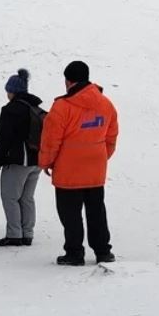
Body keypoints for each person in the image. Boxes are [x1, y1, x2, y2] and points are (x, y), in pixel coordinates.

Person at [39, 61, 119, 266]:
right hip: (95, 170)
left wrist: (46, 162)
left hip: (68, 172)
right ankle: (103, 251)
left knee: (70, 215)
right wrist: (100, 157)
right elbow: (111, 136)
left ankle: (74, 253)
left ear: (68, 81)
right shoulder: (106, 103)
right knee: (96, 211)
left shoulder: (62, 107)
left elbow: (51, 140)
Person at [0, 68, 45, 247]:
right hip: (37, 161)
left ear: (12, 90)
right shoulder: (36, 108)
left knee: (10, 196)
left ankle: (14, 234)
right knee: (27, 198)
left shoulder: (11, 110)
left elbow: (3, 137)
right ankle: (27, 233)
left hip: (18, 161)